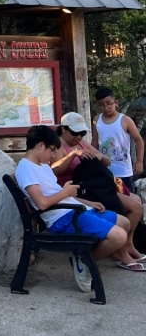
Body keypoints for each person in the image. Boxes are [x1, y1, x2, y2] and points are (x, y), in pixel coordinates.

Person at [15, 125, 142, 291]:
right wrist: (66, 192)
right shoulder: (26, 169)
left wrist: (87, 202)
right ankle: (83, 260)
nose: (53, 155)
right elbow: (42, 204)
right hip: (62, 219)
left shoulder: (42, 165)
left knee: (124, 222)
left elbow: (57, 193)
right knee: (119, 237)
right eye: (52, 150)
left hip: (74, 209)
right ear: (40, 146)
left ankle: (82, 256)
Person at [52, 111, 145, 263]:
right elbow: (54, 171)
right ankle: (121, 250)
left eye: (82, 133)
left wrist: (98, 157)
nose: (79, 137)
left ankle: (128, 244)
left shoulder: (81, 143)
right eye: (75, 133)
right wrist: (73, 156)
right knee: (134, 207)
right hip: (76, 192)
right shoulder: (58, 147)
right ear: (64, 129)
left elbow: (107, 162)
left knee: (135, 200)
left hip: (92, 188)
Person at [92, 88, 144, 195]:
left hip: (124, 171)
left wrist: (139, 161)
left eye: (108, 104)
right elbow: (95, 142)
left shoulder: (125, 120)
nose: (106, 108)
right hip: (105, 171)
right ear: (97, 105)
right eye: (101, 105)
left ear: (116, 103)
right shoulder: (96, 120)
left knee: (128, 201)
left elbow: (139, 140)